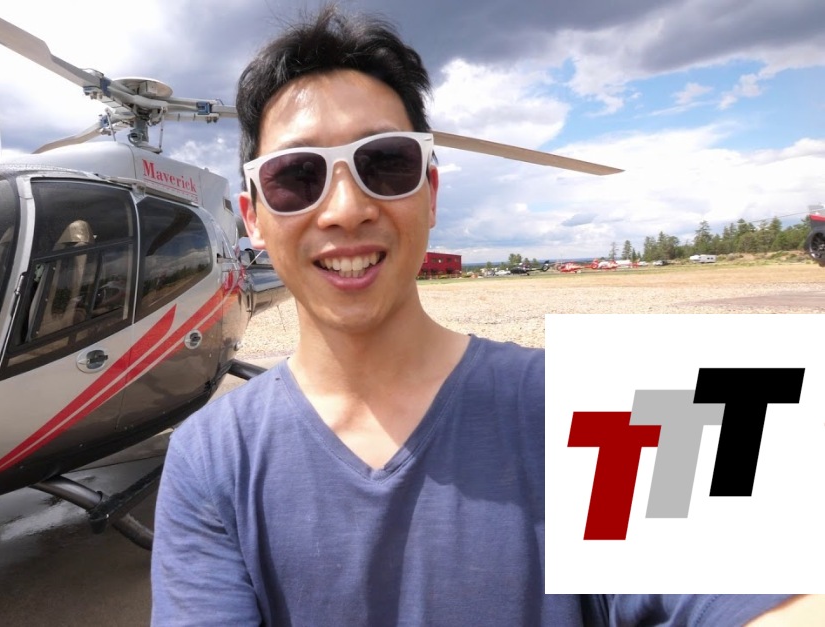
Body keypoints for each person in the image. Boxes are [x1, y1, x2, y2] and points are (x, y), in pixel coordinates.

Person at [151, 5, 820, 625]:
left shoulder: (599, 404)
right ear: (253, 219)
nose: (345, 209)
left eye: (385, 163)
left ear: (431, 193)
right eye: (298, 177)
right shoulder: (210, 458)